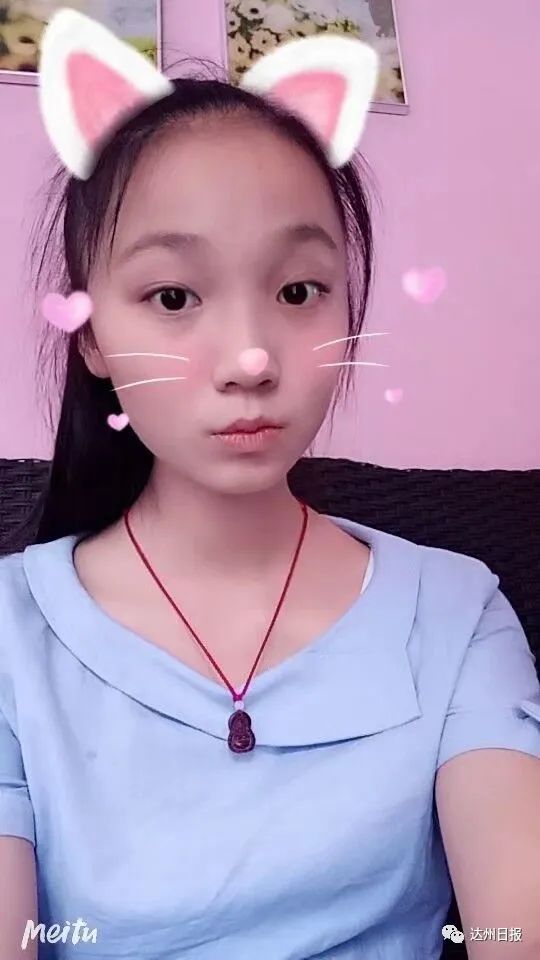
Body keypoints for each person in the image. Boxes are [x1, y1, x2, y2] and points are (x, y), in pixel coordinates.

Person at [0, 9, 539, 960]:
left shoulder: (456, 614)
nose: (250, 358)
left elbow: (511, 925)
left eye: (298, 292)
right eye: (174, 297)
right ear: (90, 332)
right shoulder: (11, 635)